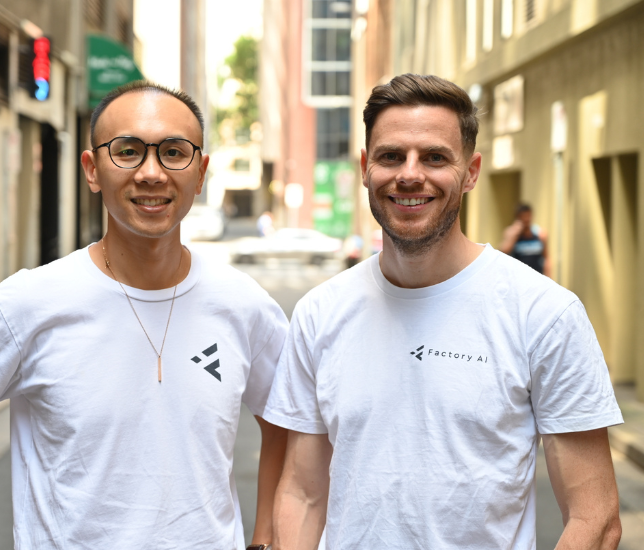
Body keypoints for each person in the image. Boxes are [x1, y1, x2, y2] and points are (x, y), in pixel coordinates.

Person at [0, 81, 288, 550]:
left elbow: (289, 422)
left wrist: (266, 539)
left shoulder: (244, 304)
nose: (152, 173)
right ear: (92, 169)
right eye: (128, 151)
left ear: (200, 174)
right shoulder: (29, 303)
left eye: (174, 153)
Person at [264, 74, 622, 549]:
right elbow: (303, 494)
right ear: (366, 168)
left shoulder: (544, 314)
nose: (410, 175)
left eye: (434, 157)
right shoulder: (318, 313)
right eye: (391, 156)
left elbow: (595, 518)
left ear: (471, 172)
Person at [499, 203, 550, 276]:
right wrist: (513, 236)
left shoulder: (540, 234)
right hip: (518, 277)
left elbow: (546, 258)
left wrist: (548, 277)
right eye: (523, 217)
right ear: (518, 218)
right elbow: (502, 253)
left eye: (528, 216)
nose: (526, 219)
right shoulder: (511, 234)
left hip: (536, 276)